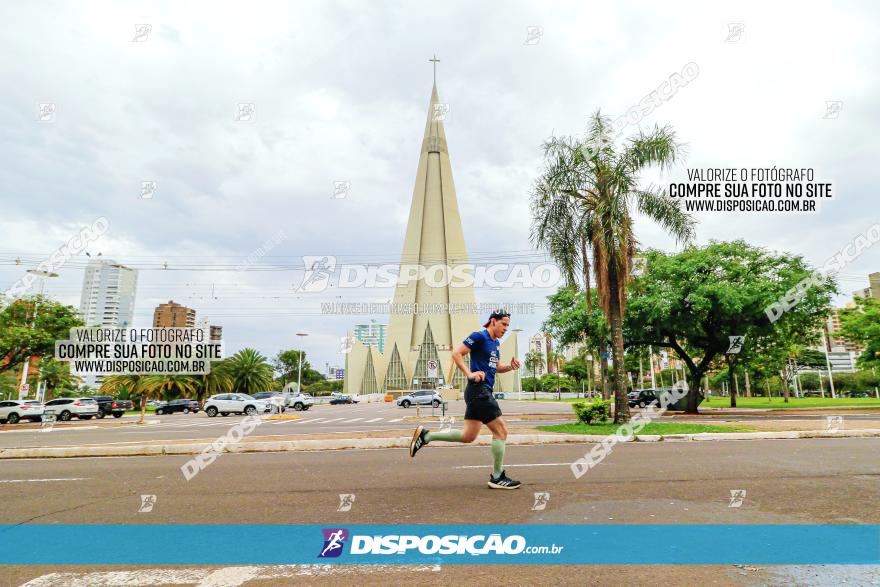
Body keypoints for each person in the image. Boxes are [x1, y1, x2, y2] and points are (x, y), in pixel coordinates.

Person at [409, 310, 522, 489]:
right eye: (504, 324)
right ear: (493, 321)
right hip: (479, 390)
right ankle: (497, 477)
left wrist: (510, 367)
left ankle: (427, 436)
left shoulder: (495, 343)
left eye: (508, 325)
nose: (506, 328)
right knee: (501, 431)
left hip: (480, 392)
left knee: (468, 436)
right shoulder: (479, 336)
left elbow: (496, 366)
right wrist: (470, 373)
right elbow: (456, 354)